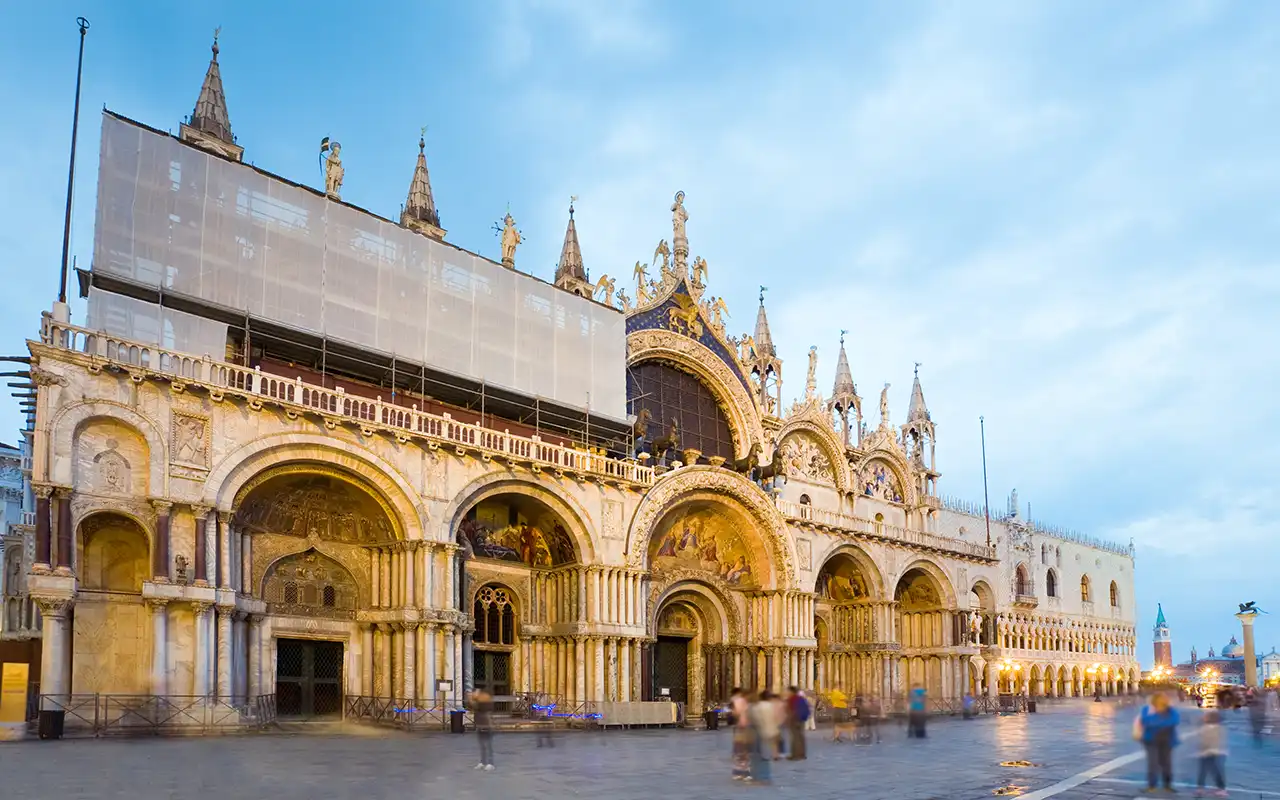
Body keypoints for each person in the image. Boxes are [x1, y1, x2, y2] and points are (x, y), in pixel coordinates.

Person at [1139, 691, 1181, 793]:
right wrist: (1161, 721)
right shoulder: (1147, 709)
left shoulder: (1170, 710)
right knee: (1152, 763)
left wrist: (1156, 720)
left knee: (1166, 763)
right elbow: (1145, 721)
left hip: (1167, 740)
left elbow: (1174, 721)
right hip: (1151, 740)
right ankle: (1152, 785)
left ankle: (1167, 785)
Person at [1195, 709, 1227, 797]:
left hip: (1207, 753)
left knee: (1206, 771)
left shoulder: (1205, 729)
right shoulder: (1219, 728)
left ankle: (1201, 788)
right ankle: (1220, 788)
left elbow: (1204, 740)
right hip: (1213, 753)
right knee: (1213, 770)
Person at [747, 692, 775, 785]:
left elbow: (751, 718)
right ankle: (765, 776)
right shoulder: (771, 706)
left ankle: (756, 776)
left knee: (756, 756)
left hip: (757, 732)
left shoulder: (756, 707)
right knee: (765, 756)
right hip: (767, 732)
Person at [730, 688, 751, 781]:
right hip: (746, 728)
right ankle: (745, 772)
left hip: (741, 727)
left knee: (740, 751)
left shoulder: (737, 701)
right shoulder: (747, 703)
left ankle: (739, 772)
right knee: (744, 751)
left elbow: (735, 713)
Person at [471, 690, 495, 771]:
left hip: (487, 725)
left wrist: (474, 699)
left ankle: (490, 763)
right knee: (482, 746)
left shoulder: (486, 703)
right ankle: (482, 762)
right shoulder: (477, 703)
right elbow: (472, 707)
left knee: (488, 745)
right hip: (480, 725)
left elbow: (481, 708)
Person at [786, 686, 809, 760]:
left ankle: (795, 755)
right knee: (801, 737)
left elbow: (790, 710)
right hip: (802, 719)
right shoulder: (801, 698)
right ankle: (802, 754)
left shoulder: (792, 699)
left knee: (795, 737)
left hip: (795, 719)